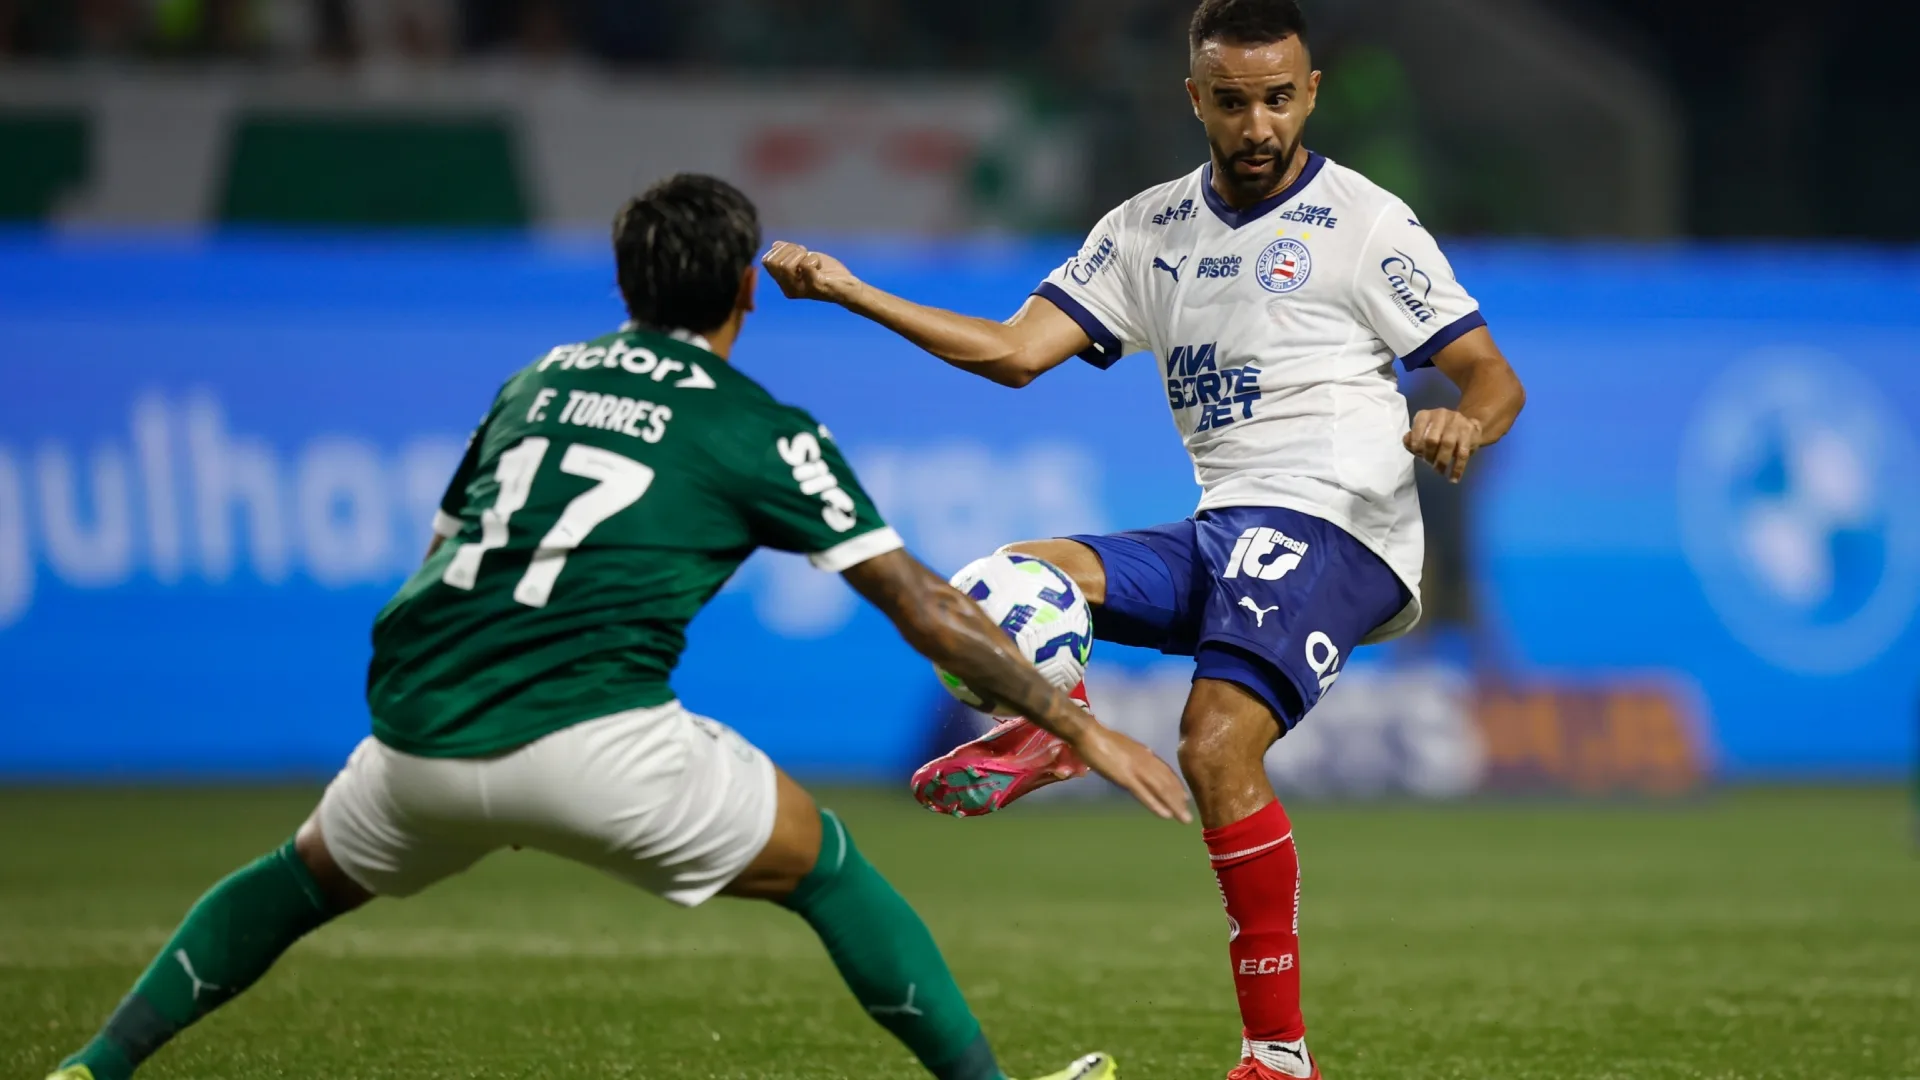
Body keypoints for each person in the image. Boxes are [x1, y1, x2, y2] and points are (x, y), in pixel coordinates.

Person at [45, 174, 1190, 1080]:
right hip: (594, 740)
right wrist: (1080, 729)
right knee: (831, 871)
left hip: (420, 730)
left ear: (623, 285)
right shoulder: (755, 428)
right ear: (747, 291)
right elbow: (930, 608)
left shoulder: (536, 383)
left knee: (296, 880)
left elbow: (447, 546)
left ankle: (96, 1065)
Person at [759, 1, 1528, 1076]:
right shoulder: (1146, 230)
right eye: (1231, 101)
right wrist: (848, 291)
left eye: (1276, 98)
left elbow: (1494, 374)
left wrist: (1462, 418)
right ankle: (1049, 721)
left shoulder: (1366, 222)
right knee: (1007, 583)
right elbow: (1016, 352)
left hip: (1341, 522)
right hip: (1227, 524)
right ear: (1194, 99)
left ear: (1309, 92)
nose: (1256, 125)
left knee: (1215, 743)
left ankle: (1278, 1056)